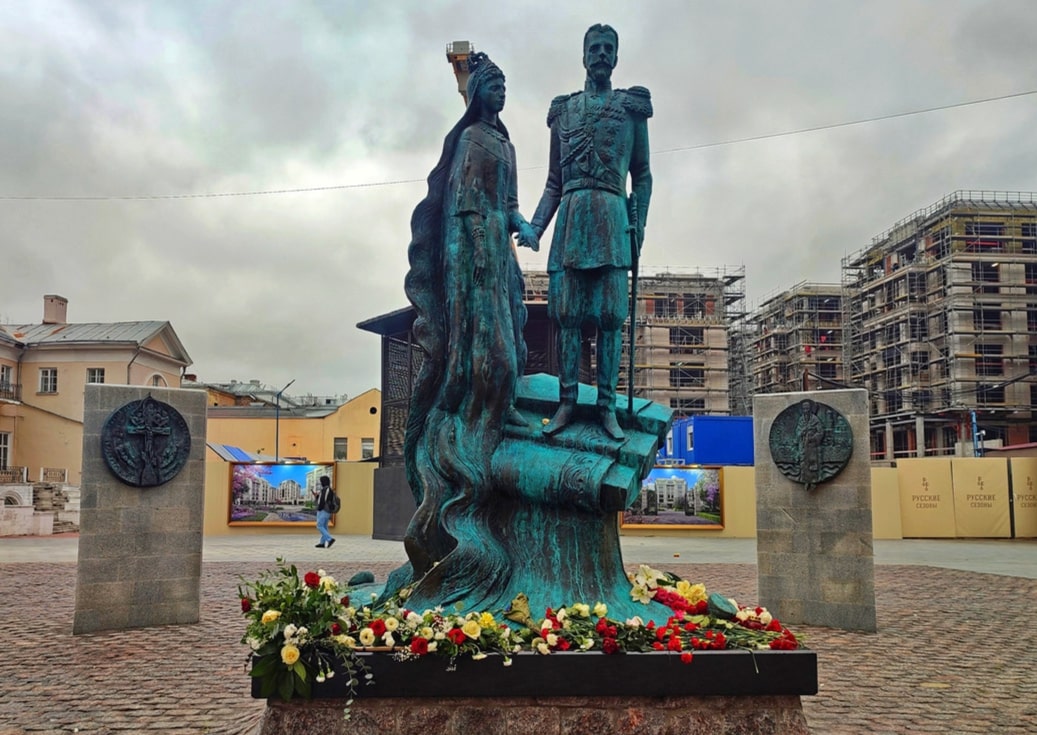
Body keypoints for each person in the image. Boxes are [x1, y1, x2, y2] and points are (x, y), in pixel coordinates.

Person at [399, 51, 537, 598]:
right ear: (478, 91)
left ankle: (494, 440)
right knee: (486, 359)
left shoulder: (505, 143)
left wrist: (522, 223)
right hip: (468, 259)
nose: (500, 92)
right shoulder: (468, 139)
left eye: (505, 85)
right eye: (493, 85)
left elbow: (508, 203)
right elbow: (459, 205)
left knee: (508, 356)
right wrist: (478, 250)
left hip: (497, 259)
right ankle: (466, 461)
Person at [530, 23, 652, 441]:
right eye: (594, 48)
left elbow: (644, 175)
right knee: (567, 319)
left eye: (608, 49)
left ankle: (606, 408)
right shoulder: (563, 111)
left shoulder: (632, 110)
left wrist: (639, 227)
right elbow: (552, 183)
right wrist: (535, 227)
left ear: (615, 58)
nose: (601, 54)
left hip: (614, 222)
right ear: (584, 55)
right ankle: (566, 403)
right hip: (572, 223)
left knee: (611, 321)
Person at [313, 475, 335, 548]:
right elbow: (323, 498)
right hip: (326, 510)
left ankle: (330, 539)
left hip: (324, 510)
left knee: (319, 525)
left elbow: (323, 500)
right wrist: (317, 496)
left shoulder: (327, 489)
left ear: (323, 482)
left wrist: (319, 508)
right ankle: (322, 543)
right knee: (324, 527)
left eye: (321, 481)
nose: (320, 483)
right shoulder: (326, 489)